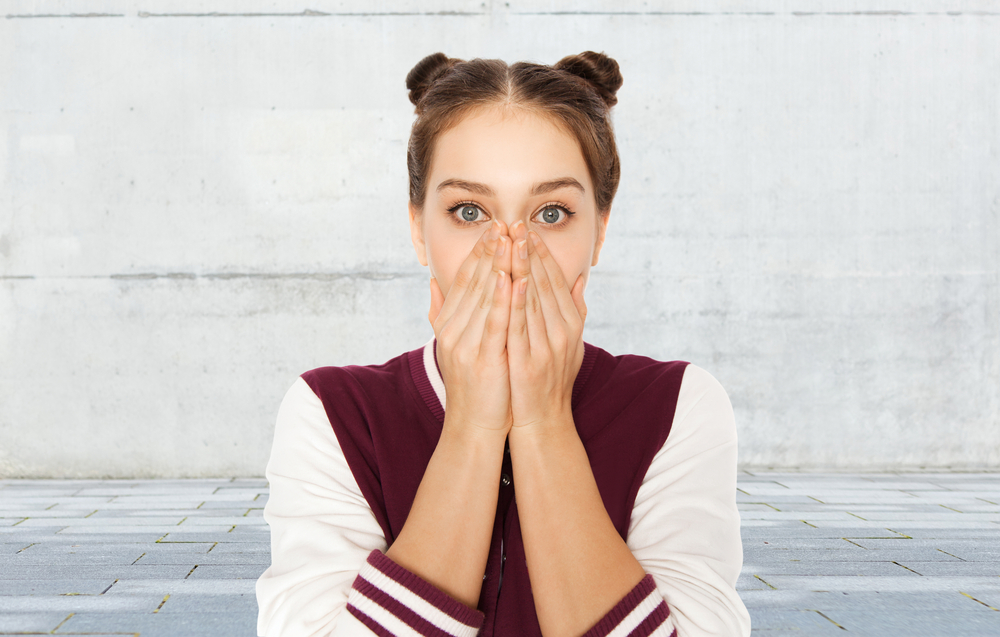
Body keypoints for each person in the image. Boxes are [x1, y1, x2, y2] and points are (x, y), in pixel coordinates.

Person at [255, 51, 751, 637]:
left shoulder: (677, 406)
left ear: (600, 229)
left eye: (550, 212)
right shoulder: (333, 412)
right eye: (469, 211)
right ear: (419, 228)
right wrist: (473, 426)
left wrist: (543, 422)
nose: (512, 253)